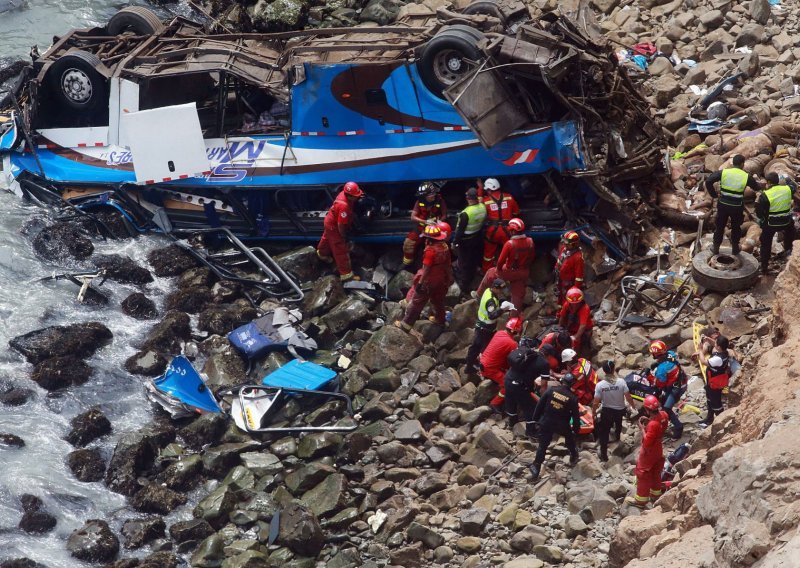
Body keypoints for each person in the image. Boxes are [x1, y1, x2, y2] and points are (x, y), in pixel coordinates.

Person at [396, 223, 453, 330]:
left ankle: (406, 324)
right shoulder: (445, 247)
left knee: (417, 302)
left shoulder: (430, 251)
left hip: (429, 280)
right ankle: (440, 320)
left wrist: (421, 283)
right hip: (441, 279)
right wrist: (449, 278)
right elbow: (448, 265)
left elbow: (426, 269)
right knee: (438, 301)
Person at [705, 154, 762, 255]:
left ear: (733, 163)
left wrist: (714, 195)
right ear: (742, 164)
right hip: (736, 206)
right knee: (736, 227)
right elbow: (756, 187)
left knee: (720, 226)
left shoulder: (724, 172)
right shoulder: (746, 176)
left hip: (723, 204)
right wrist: (760, 184)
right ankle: (735, 248)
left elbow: (709, 181)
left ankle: (716, 247)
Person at [529, 372, 581, 480]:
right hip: (562, 425)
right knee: (569, 438)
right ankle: (574, 455)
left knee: (542, 446)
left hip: (546, 422)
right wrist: (576, 430)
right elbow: (576, 417)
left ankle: (536, 467)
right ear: (572, 384)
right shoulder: (573, 398)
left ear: (562, 381)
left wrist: (535, 420)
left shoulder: (551, 390)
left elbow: (539, 406)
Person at [475, 218, 534, 310]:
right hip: (524, 272)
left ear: (513, 231)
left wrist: (498, 271)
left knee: (490, 273)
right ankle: (514, 316)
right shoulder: (530, 241)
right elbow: (531, 257)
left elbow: (500, 261)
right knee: (517, 292)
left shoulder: (510, 244)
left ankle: (478, 295)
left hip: (510, 271)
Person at [625, 394, 669, 508]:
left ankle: (641, 500)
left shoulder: (653, 425)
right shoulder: (664, 415)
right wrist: (649, 421)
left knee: (642, 473)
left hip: (649, 451)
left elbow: (647, 442)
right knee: (655, 470)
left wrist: (642, 429)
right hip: (658, 448)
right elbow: (661, 427)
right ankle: (655, 493)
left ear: (646, 409)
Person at [316, 181, 364, 281]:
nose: (357, 198)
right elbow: (341, 225)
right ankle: (346, 275)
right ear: (350, 196)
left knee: (327, 239)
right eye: (356, 196)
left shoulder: (343, 194)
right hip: (335, 226)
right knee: (340, 249)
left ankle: (322, 253)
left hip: (329, 221)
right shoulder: (344, 207)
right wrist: (343, 236)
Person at [465, 279, 515, 372]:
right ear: (495, 288)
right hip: (485, 328)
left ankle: (472, 364)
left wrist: (502, 303)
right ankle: (476, 367)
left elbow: (496, 300)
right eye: (500, 289)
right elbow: (492, 315)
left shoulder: (488, 291)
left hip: (484, 326)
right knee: (482, 347)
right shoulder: (490, 301)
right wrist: (502, 309)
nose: (501, 292)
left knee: (477, 346)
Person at [504, 336, 550, 437]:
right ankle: (531, 431)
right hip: (519, 386)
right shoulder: (544, 363)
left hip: (508, 379)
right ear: (548, 355)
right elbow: (543, 386)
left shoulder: (527, 354)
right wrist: (544, 401)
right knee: (531, 408)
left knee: (511, 402)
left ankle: (512, 422)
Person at [592, 360, 635, 462]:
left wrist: (594, 412)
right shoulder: (621, 382)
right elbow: (628, 397)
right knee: (618, 424)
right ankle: (617, 439)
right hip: (620, 410)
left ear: (604, 371)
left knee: (604, 432)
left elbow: (596, 402)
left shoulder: (600, 385)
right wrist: (633, 407)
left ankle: (604, 455)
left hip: (607, 411)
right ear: (613, 369)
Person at [756, 172, 795, 275]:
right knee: (791, 231)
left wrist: (762, 218)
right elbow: (793, 186)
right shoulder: (787, 189)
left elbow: (760, 214)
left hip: (771, 224)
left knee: (765, 243)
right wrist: (787, 178)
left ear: (768, 183)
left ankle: (764, 266)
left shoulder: (765, 195)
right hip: (786, 221)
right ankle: (789, 251)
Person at [480, 317, 523, 411]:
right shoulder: (512, 344)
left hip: (484, 362)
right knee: (508, 385)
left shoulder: (499, 333)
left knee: (505, 369)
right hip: (490, 368)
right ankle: (495, 403)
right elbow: (514, 360)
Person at [646, 340, 686, 439]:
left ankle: (678, 427)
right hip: (681, 381)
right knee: (664, 400)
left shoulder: (662, 369)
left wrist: (649, 376)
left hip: (676, 388)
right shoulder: (671, 354)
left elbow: (659, 383)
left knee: (666, 408)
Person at [402, 181, 447, 269]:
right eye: (431, 194)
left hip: (435, 229)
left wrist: (438, 223)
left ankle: (431, 266)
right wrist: (425, 221)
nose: (434, 195)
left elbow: (444, 215)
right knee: (408, 244)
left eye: (434, 193)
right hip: (421, 228)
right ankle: (407, 264)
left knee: (434, 249)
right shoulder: (419, 202)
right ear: (425, 196)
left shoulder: (440, 200)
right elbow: (413, 217)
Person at [480, 178, 520, 272]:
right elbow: (516, 212)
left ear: (489, 189)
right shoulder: (509, 197)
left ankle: (487, 273)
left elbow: (482, 216)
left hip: (492, 232)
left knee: (488, 255)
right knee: (510, 252)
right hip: (508, 230)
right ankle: (510, 271)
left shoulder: (485, 201)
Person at [452, 187, 487, 291]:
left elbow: (460, 231)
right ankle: (473, 275)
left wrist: (455, 243)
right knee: (473, 259)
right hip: (476, 238)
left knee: (464, 262)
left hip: (465, 241)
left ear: (468, 198)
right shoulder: (482, 207)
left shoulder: (465, 213)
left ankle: (464, 284)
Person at [696, 335, 731, 427]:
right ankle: (709, 418)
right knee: (709, 400)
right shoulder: (724, 351)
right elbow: (715, 345)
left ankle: (723, 422)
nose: (714, 343)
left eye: (715, 342)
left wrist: (700, 350)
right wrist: (708, 339)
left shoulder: (718, 359)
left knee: (716, 404)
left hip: (715, 383)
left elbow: (703, 361)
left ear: (718, 347)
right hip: (712, 381)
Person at [558, 287, 593, 356]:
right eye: (573, 304)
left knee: (579, 344)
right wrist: (559, 329)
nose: (575, 305)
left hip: (584, 330)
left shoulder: (585, 308)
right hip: (571, 327)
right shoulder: (566, 305)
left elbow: (582, 326)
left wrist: (575, 337)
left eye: (577, 303)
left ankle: (578, 356)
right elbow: (562, 317)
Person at [555, 230, 584, 305]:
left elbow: (579, 277)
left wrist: (575, 290)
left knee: (567, 301)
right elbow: (559, 260)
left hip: (569, 284)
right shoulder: (564, 249)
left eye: (567, 244)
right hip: (560, 280)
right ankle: (559, 313)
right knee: (559, 298)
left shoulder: (578, 257)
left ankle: (565, 315)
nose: (565, 245)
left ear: (574, 244)